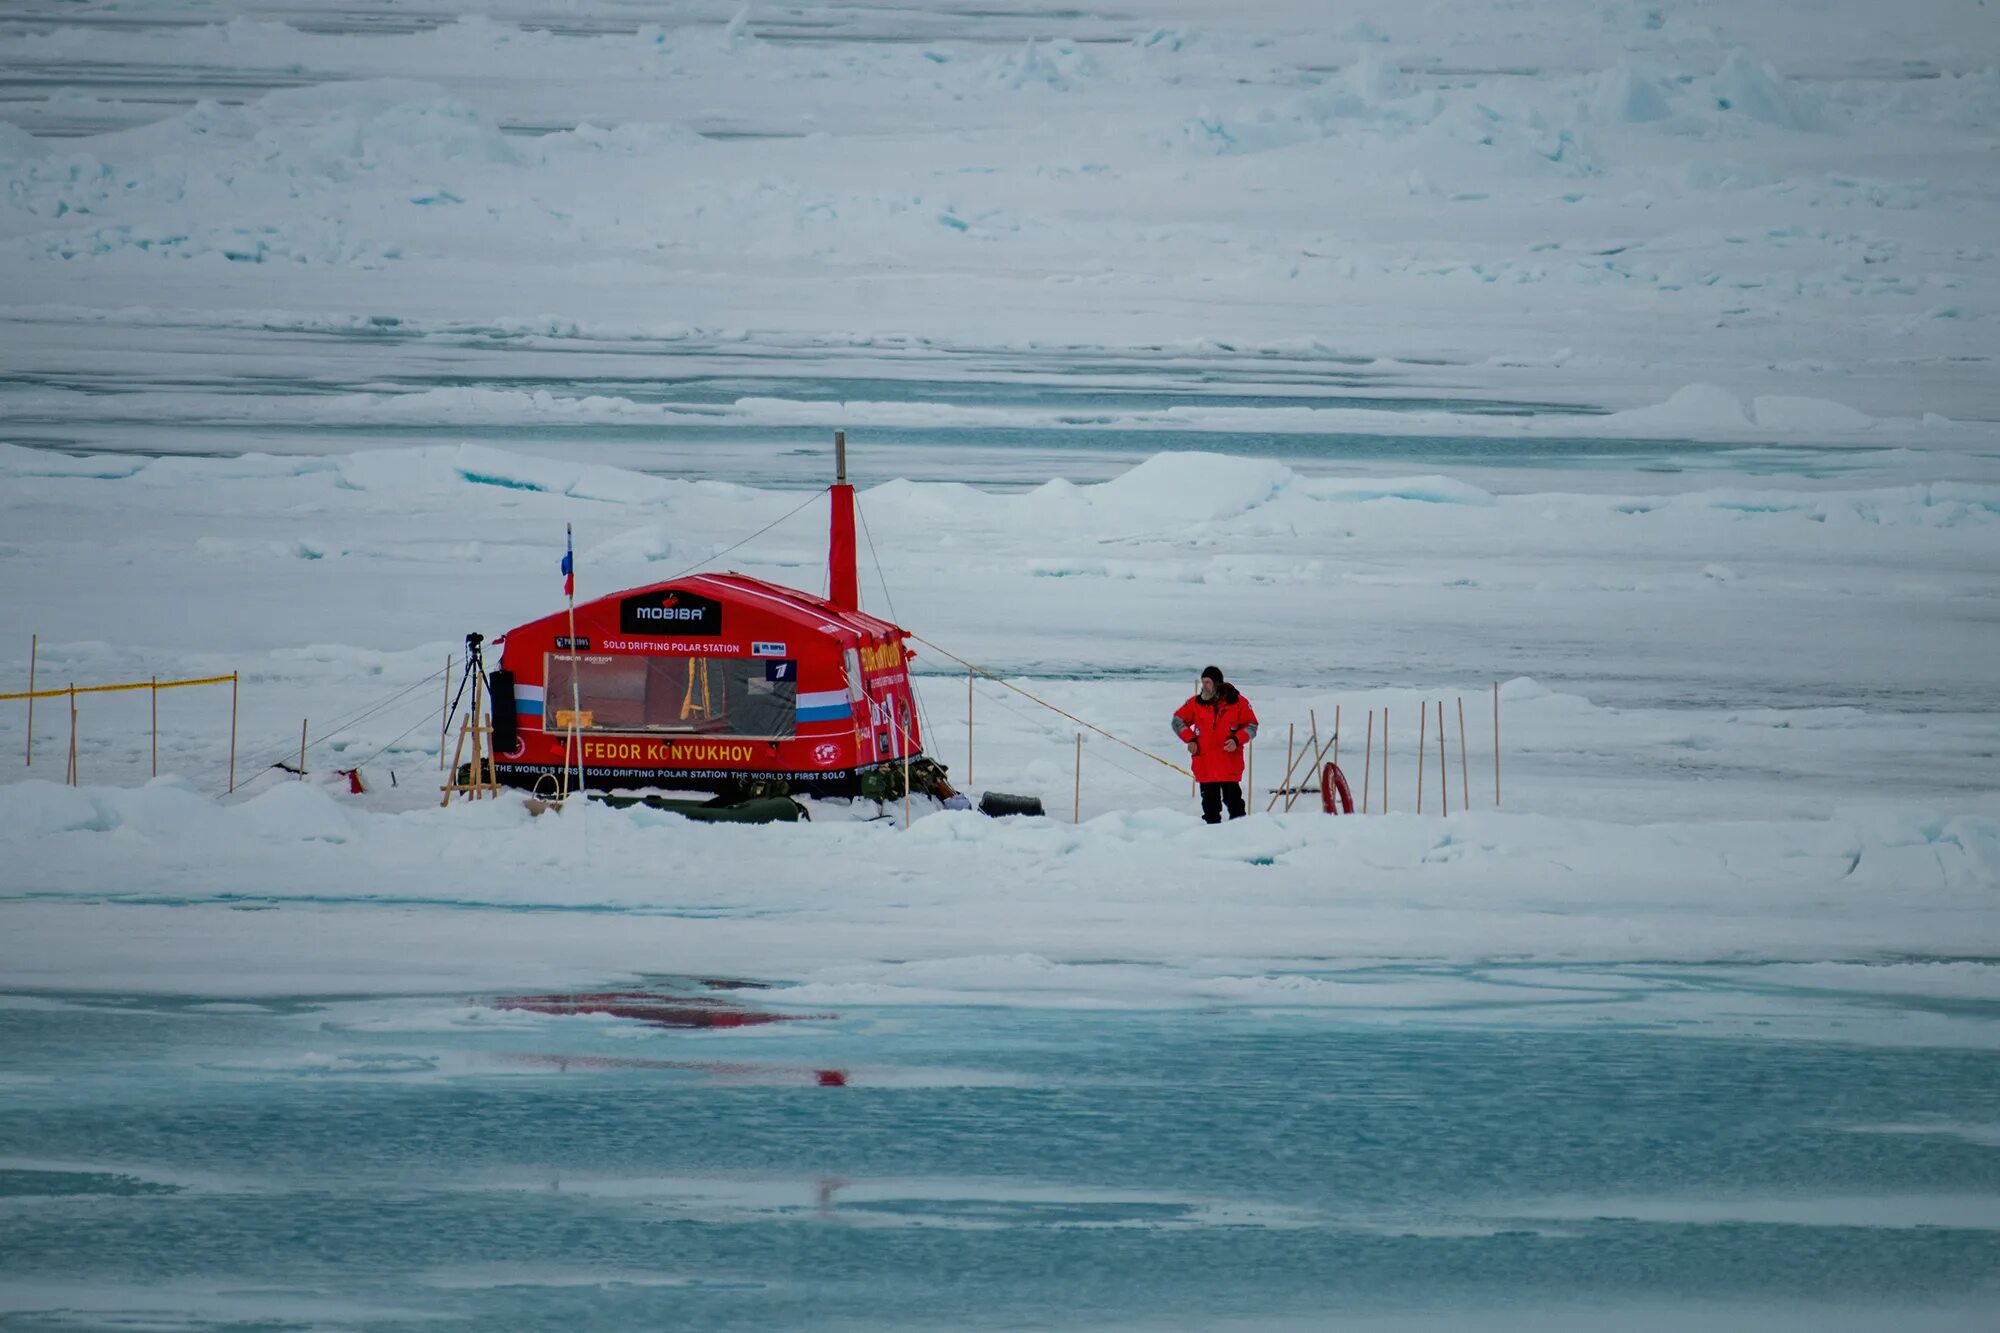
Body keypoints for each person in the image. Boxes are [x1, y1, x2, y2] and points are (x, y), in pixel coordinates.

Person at [1172, 665, 1259, 823]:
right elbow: (1177, 721)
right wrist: (1190, 739)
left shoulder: (1237, 701)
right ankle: (1211, 839)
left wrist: (1236, 740)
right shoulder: (1195, 703)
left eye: (1207, 682)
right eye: (1203, 682)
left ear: (1217, 683)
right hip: (1205, 764)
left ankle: (1241, 836)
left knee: (1235, 806)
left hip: (1228, 763)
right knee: (1210, 809)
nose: (1204, 686)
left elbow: (1252, 725)